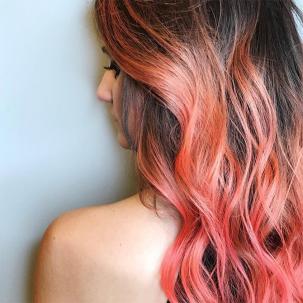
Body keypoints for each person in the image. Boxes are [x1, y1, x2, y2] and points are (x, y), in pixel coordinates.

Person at [33, 0, 303, 302]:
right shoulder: (290, 241)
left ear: (172, 80)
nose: (103, 90)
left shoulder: (76, 249)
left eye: (116, 67)